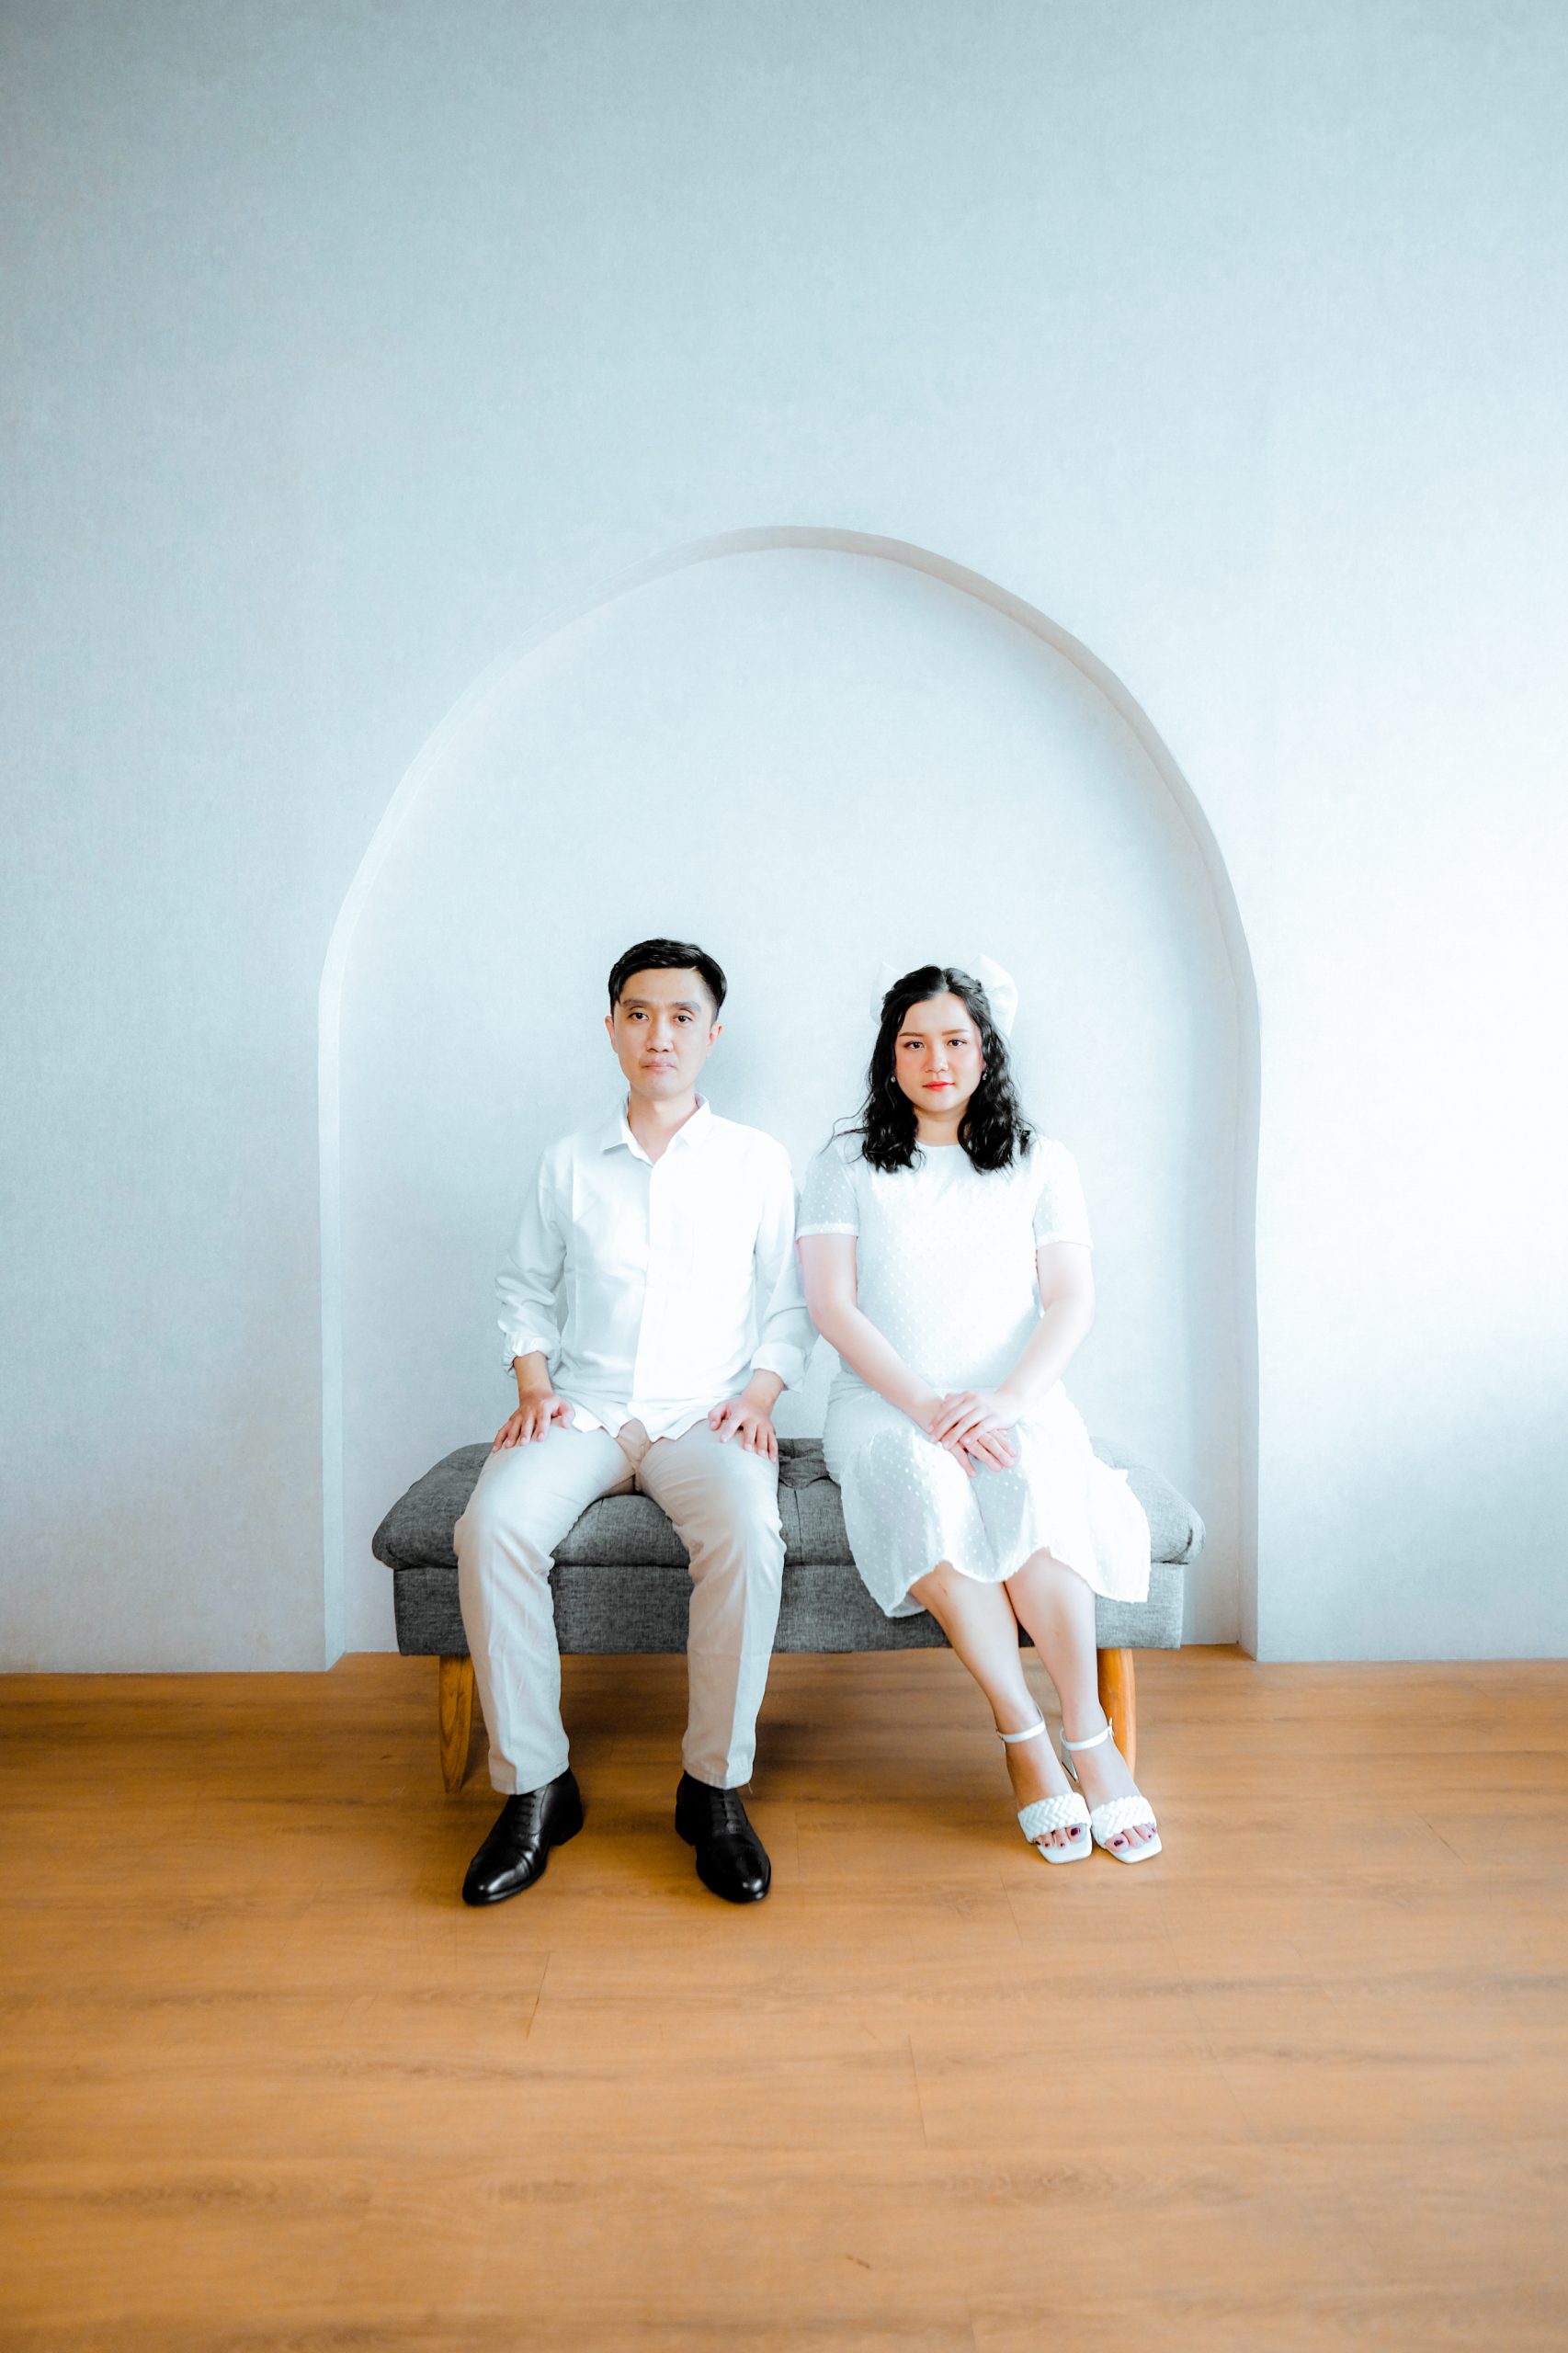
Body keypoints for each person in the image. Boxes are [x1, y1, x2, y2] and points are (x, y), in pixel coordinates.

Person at [454, 938, 813, 1906]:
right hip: (586, 1405)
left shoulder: (756, 1161)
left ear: (712, 1034)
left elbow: (790, 1302)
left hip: (706, 1414)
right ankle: (536, 1787)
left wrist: (758, 1398)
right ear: (611, 1027)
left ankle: (713, 1789)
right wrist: (533, 1386)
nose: (660, 1034)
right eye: (639, 1014)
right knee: (490, 1527)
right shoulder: (567, 1162)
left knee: (749, 1533)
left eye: (682, 1016)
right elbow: (523, 1289)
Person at [795, 961, 1160, 1863]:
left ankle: (1088, 1733)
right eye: (913, 1042)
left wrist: (1004, 1401)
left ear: (986, 1052)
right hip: (884, 1405)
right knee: (923, 1481)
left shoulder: (1041, 1160)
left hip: (1012, 1396)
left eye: (955, 1041)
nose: (935, 1061)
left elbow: (1070, 1299)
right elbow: (832, 1307)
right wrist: (927, 1407)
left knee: (1027, 1476)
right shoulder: (845, 1162)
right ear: (888, 1056)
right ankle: (1022, 1735)